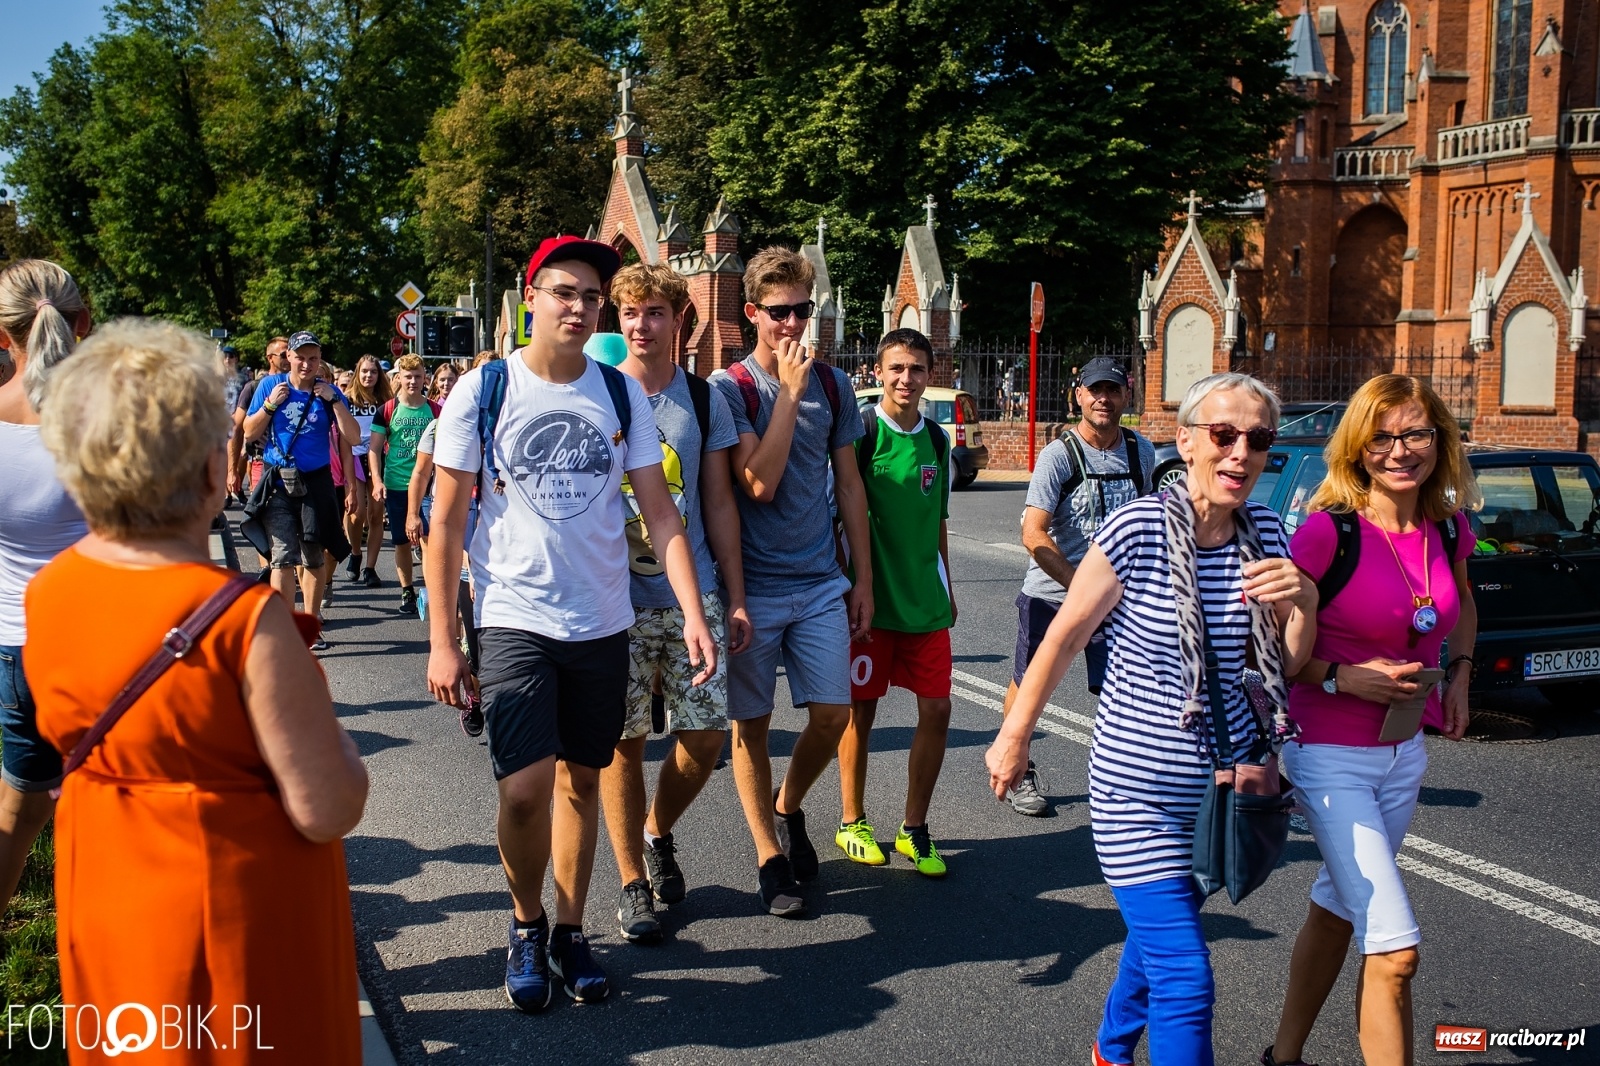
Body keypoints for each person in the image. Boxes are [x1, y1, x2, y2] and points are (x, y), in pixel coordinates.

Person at [28, 318, 368, 1063]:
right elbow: (327, 806)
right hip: (231, 919)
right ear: (216, 471)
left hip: (109, 887)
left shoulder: (49, 594)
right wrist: (340, 743)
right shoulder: (246, 623)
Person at [987, 372, 1316, 1066]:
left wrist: (1304, 604)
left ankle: (1110, 1048)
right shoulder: (1138, 526)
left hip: (1219, 794)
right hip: (1135, 793)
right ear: (1188, 442)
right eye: (1224, 436)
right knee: (1187, 978)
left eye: (1257, 440)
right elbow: (1066, 635)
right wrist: (1012, 737)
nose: (1240, 453)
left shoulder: (1264, 531)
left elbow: (1287, 664)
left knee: (1159, 944)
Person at [424, 236, 716, 1010]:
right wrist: (444, 642)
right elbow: (446, 524)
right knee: (524, 791)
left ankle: (570, 930)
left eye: (592, 296)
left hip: (602, 621)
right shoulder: (485, 390)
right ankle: (525, 924)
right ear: (531, 301)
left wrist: (692, 611)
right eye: (564, 292)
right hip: (514, 617)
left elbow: (661, 510)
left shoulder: (618, 397)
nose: (580, 308)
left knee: (582, 781)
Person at [1263, 376, 1479, 1066]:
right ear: (1357, 449)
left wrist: (1461, 674)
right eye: (1381, 437)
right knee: (1396, 950)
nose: (1399, 450)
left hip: (1403, 753)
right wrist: (1338, 674)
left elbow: (1462, 604)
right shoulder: (1330, 533)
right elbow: (1269, 650)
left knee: (1333, 909)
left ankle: (1284, 1056)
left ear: (1438, 441)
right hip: (1328, 753)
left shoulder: (1448, 526)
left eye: (1415, 433)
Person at [712, 245, 871, 918]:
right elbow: (758, 481)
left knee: (834, 714)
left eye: (803, 310)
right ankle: (768, 857)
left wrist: (861, 577)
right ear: (752, 313)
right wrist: (789, 395)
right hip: (755, 587)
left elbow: (850, 484)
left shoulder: (832, 387)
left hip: (819, 584)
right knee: (751, 727)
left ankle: (788, 805)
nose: (794, 325)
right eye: (779, 313)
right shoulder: (732, 389)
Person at [597, 263, 752, 944]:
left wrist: (735, 596)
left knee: (704, 739)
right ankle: (632, 882)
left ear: (679, 320)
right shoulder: (599, 392)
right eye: (629, 313)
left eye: (654, 312)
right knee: (621, 744)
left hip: (695, 593)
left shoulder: (701, 396)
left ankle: (656, 830)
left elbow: (718, 501)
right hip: (612, 599)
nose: (640, 325)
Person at [1002, 357, 1155, 816]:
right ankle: (1017, 768)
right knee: (1029, 683)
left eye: (1113, 390)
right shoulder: (1059, 456)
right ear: (1079, 396)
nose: (1104, 399)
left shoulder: (1139, 451)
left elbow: (1147, 520)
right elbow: (1033, 533)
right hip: (1053, 593)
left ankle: (1135, 776)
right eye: (1095, 390)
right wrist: (1080, 584)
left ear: (1126, 396)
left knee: (1130, 688)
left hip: (1120, 598)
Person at [835, 328, 957, 877]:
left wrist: (949, 587)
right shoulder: (861, 431)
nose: (907, 379)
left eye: (918, 369)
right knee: (861, 713)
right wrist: (846, 586)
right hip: (870, 606)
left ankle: (914, 830)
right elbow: (839, 514)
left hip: (925, 605)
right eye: (897, 369)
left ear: (932, 375)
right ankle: (852, 820)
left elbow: (940, 524)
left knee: (936, 710)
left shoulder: (937, 438)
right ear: (878, 373)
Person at [0, 259, 90, 912]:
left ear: (3, 336)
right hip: (110, 647)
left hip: (15, 648)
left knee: (16, 817)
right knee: (122, 817)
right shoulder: (117, 421)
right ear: (84, 325)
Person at [242, 331, 361, 650]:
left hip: (316, 481)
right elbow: (249, 433)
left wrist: (334, 400)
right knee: (282, 557)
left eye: (313, 358)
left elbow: (353, 437)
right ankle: (285, 626)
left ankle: (311, 624)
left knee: (313, 556)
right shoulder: (270, 386)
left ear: (319, 360)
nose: (306, 364)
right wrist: (269, 406)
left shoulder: (331, 391)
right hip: (278, 481)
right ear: (288, 358)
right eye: (300, 357)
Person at [368, 354, 440, 616]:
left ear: (425, 378)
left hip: (430, 486)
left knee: (429, 539)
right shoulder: (387, 410)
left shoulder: (434, 410)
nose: (413, 382)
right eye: (408, 377)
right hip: (397, 484)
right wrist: (376, 480)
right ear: (398, 378)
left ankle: (433, 587)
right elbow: (374, 450)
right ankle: (407, 588)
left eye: (418, 376)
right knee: (401, 540)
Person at [344, 353, 393, 587]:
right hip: (353, 457)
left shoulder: (386, 400)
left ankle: (370, 568)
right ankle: (355, 552)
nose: (369, 375)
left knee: (376, 515)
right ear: (357, 373)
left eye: (373, 372)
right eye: (364, 371)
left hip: (378, 457)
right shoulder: (347, 399)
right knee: (356, 514)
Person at [227, 336, 289, 508]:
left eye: (292, 353)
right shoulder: (254, 387)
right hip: (261, 462)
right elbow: (237, 429)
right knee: (265, 515)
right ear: (270, 358)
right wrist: (232, 471)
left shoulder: (300, 387)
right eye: (284, 354)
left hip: (295, 464)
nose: (289, 358)